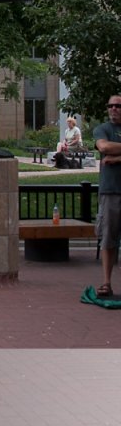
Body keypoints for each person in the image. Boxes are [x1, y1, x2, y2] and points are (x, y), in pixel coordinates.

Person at [93, 95, 121, 297]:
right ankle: (106, 282)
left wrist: (117, 157)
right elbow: (103, 147)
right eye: (110, 105)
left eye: (118, 106)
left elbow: (110, 150)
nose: (114, 109)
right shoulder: (102, 129)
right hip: (110, 191)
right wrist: (109, 153)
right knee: (108, 238)